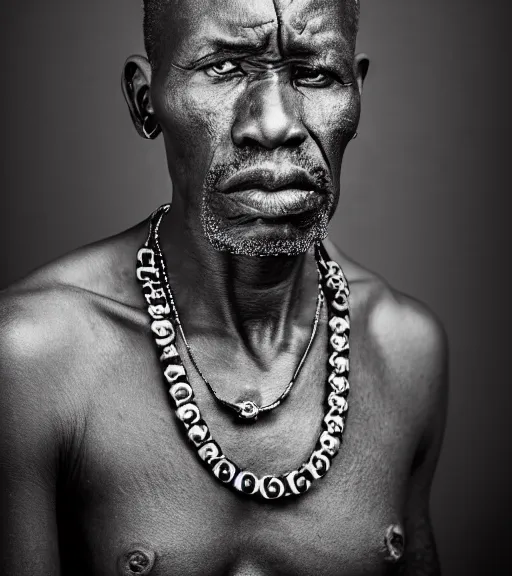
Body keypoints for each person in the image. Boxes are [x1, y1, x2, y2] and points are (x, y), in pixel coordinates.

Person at [0, 0, 448, 574]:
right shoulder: (36, 358)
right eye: (225, 68)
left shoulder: (406, 349)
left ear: (356, 94)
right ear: (145, 101)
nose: (275, 124)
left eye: (313, 73)